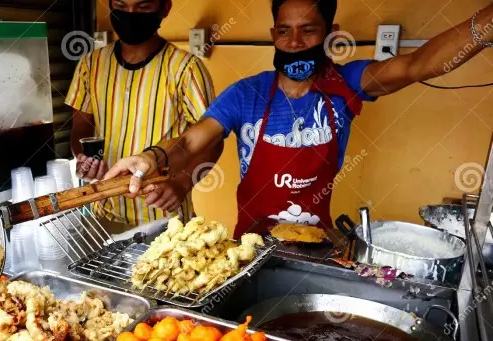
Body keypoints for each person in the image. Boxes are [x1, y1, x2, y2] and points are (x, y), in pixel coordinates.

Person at [105, 0, 493, 237]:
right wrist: (153, 157)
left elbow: (418, 64)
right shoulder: (246, 94)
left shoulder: (348, 83)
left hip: (316, 246)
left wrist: (486, 21)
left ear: (330, 33)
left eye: (308, 31)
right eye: (285, 31)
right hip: (251, 247)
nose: (294, 43)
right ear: (273, 33)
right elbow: (191, 140)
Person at [67, 0, 221, 234]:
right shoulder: (91, 64)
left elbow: (213, 140)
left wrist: (182, 183)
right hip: (105, 216)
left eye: (143, 7)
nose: (131, 14)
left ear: (165, 8)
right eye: (121, 5)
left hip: (166, 221)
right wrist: (84, 157)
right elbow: (81, 124)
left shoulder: (186, 68)